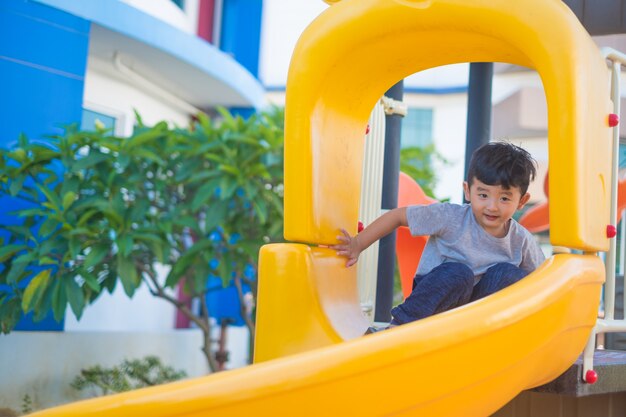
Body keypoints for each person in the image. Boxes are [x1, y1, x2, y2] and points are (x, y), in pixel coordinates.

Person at [331, 141, 545, 333]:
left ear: (522, 201)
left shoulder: (521, 240)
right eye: (483, 194)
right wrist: (358, 243)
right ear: (467, 191)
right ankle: (398, 328)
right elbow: (398, 216)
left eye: (505, 198)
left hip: (480, 314)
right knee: (459, 273)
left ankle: (494, 334)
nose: (492, 206)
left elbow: (543, 281)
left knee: (509, 274)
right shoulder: (451, 217)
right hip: (437, 299)